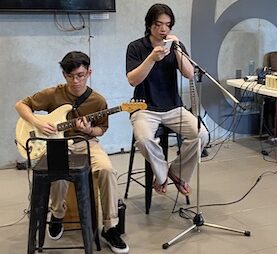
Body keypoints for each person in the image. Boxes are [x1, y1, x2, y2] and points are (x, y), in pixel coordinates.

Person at [15, 51, 129, 254]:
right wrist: (38, 121)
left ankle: (110, 226)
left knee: (107, 170)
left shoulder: (98, 101)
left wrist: (88, 130)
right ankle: (57, 215)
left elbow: (101, 130)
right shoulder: (53, 93)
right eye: (70, 76)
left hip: (86, 143)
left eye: (80, 75)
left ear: (89, 72)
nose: (75, 81)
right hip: (57, 144)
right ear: (64, 74)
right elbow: (21, 105)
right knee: (57, 173)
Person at [125, 3, 209, 196]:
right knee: (145, 140)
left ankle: (176, 172)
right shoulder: (136, 47)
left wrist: (177, 49)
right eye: (158, 24)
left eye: (168, 25)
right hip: (144, 107)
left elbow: (189, 74)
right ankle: (162, 174)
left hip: (173, 107)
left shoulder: (175, 46)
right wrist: (151, 58)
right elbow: (132, 80)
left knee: (201, 135)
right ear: (149, 25)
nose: (163, 29)